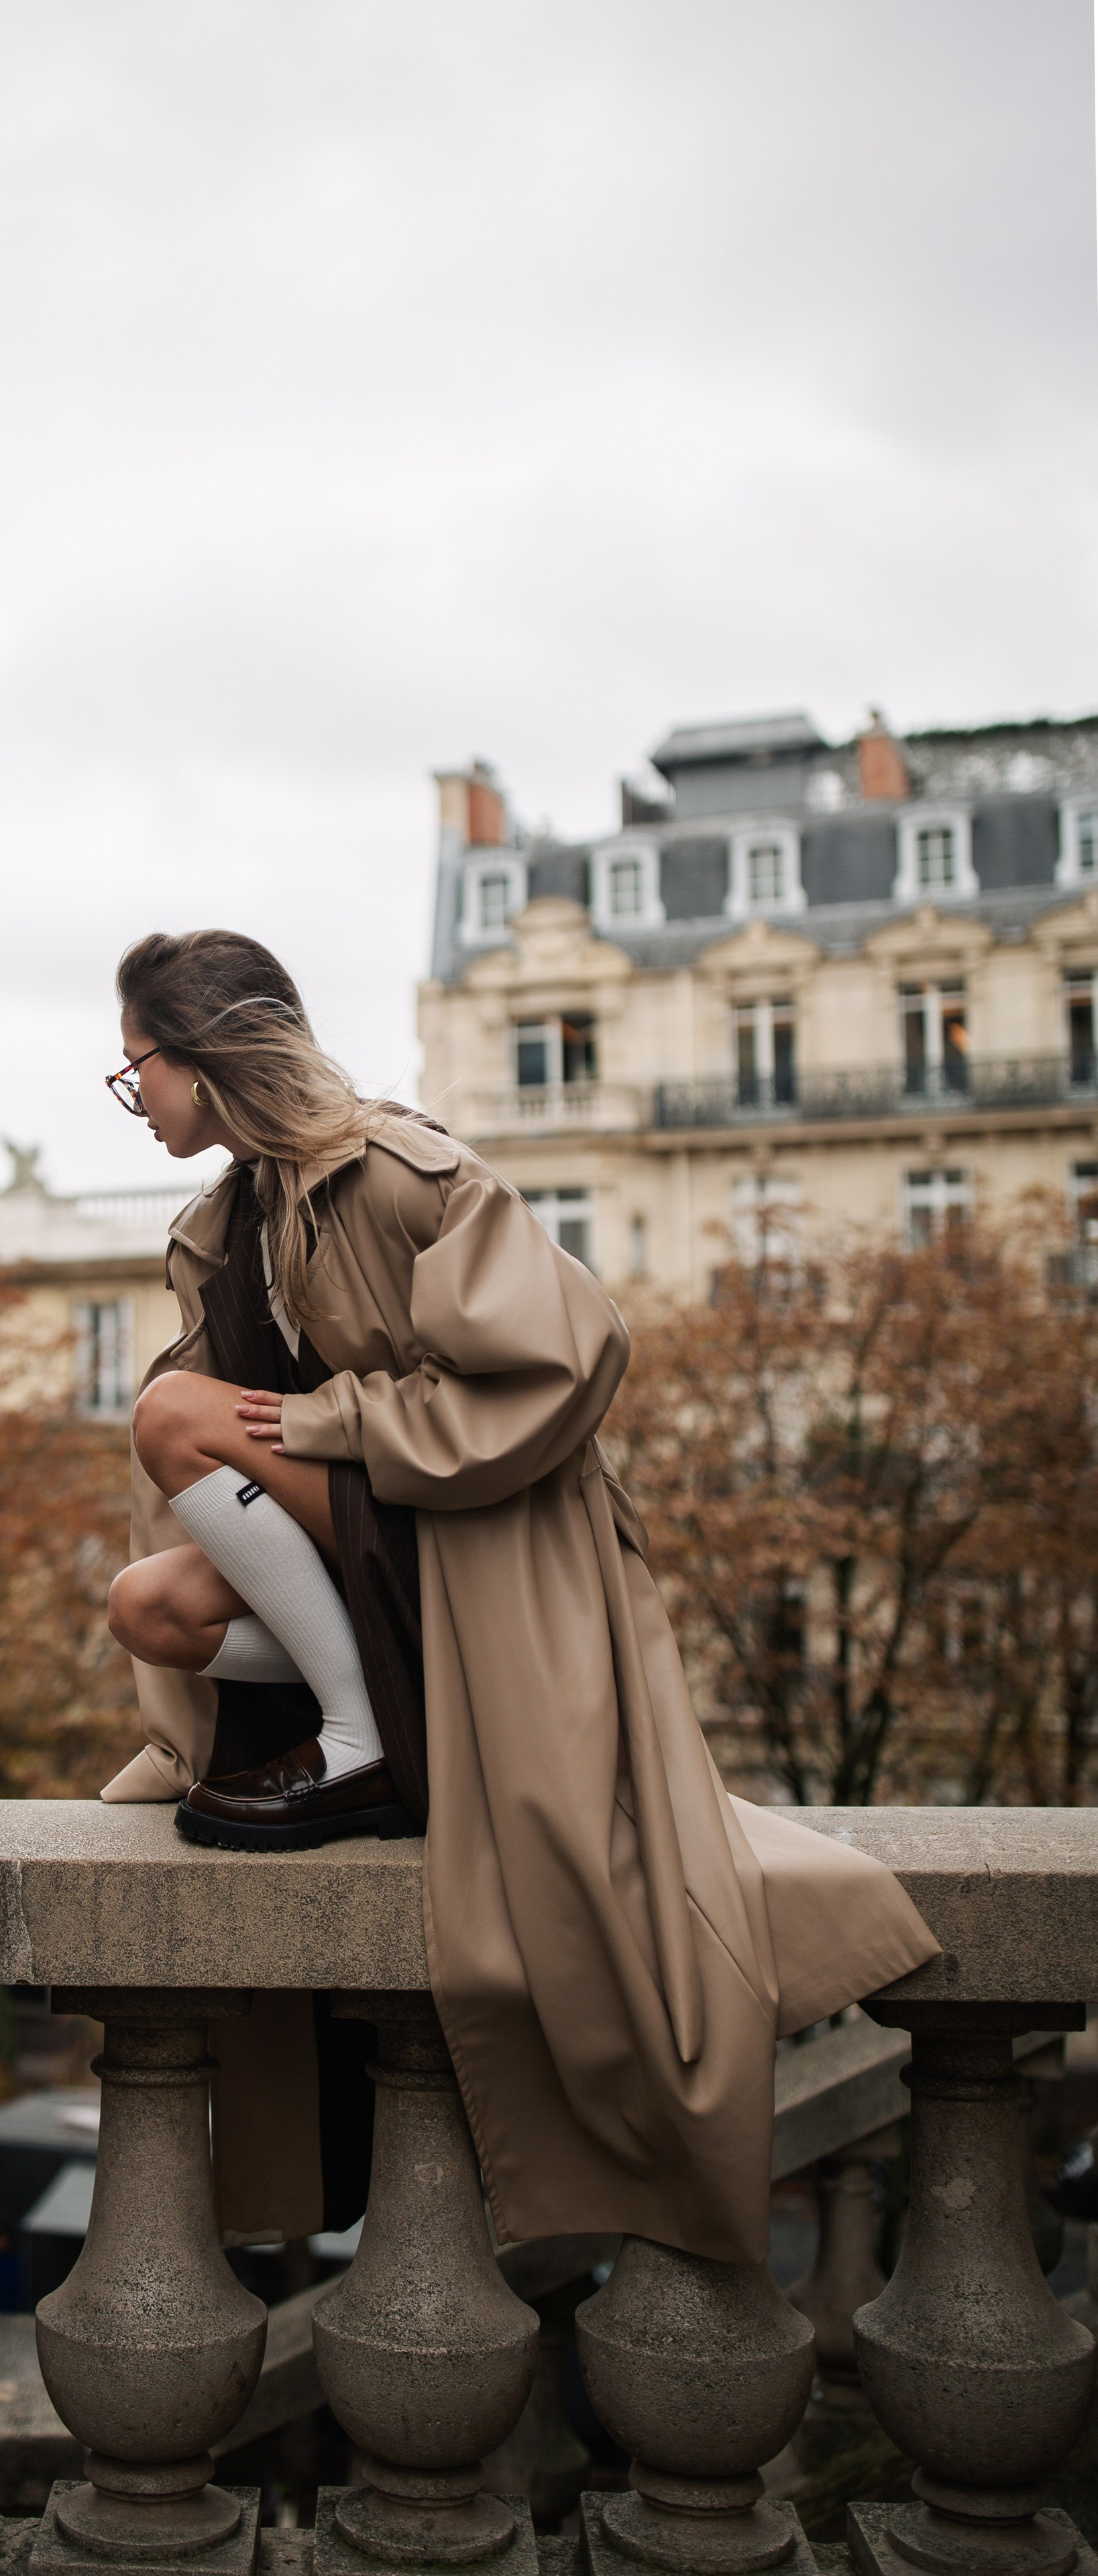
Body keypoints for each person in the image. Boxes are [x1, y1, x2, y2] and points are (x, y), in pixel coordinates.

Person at [99, 928, 940, 2263]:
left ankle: (365, 1742)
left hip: (469, 1548)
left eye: (134, 1065)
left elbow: (566, 1355)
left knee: (167, 1415)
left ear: (202, 1058)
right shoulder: (227, 1222)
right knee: (149, 1607)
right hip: (375, 1573)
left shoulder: (392, 1170)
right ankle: (358, 1712)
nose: (130, 1094)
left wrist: (334, 1426)